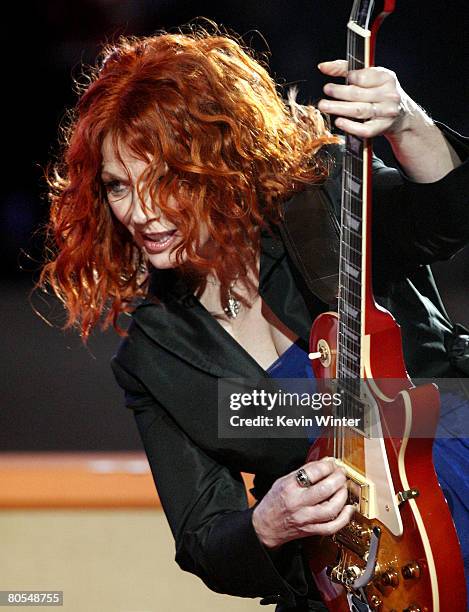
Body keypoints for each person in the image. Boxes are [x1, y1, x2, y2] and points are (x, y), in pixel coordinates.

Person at [37, 26, 469, 611]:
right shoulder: (155, 354)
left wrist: (408, 122)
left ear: (219, 161)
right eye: (118, 187)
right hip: (367, 577)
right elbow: (204, 538)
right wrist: (269, 523)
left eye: (165, 180)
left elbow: (447, 217)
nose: (139, 213)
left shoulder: (322, 201)